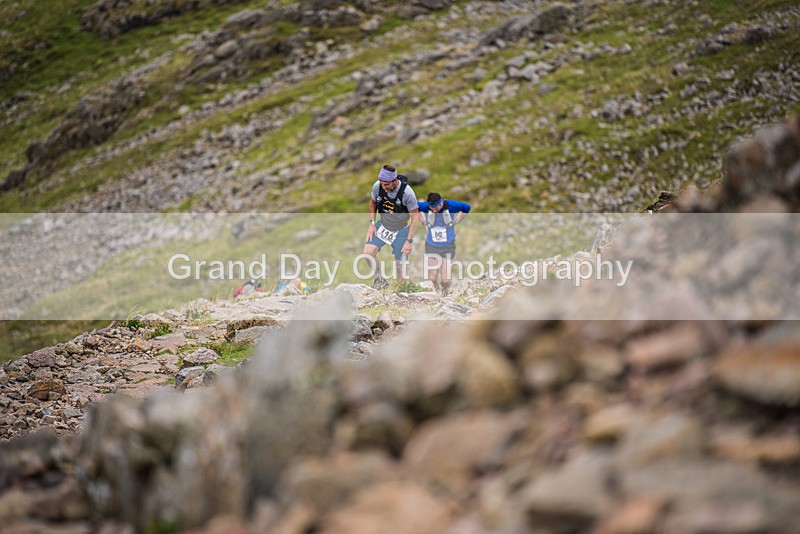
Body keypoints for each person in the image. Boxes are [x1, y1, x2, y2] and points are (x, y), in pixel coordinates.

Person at [363, 164, 419, 287]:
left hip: (402, 230)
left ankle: (402, 292)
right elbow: (372, 203)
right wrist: (372, 224)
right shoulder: (377, 187)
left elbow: (415, 217)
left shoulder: (407, 193)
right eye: (382, 183)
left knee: (401, 274)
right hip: (384, 225)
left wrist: (409, 240)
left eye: (387, 184)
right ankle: (380, 279)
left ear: (395, 180)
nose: (384, 187)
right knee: (367, 254)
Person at [417, 192, 471, 294]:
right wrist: (424, 222)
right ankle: (436, 293)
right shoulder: (425, 206)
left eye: (437, 208)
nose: (435, 211)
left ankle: (445, 292)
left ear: (441, 203)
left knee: (446, 279)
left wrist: (457, 220)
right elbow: (415, 208)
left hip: (448, 246)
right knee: (432, 278)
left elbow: (467, 207)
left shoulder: (451, 205)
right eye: (432, 209)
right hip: (431, 245)